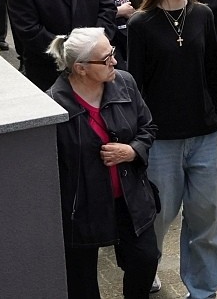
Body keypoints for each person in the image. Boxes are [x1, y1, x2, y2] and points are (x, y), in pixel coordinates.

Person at [127, 0, 217, 299]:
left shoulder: (202, 15)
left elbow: (214, 72)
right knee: (157, 216)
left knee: (208, 219)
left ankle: (203, 289)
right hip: (161, 139)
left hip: (204, 132)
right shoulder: (140, 24)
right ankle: (145, 267)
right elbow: (135, 85)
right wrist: (139, 137)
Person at [45, 28, 159, 299]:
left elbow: (148, 127)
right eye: (106, 58)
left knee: (145, 259)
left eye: (113, 54)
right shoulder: (53, 104)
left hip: (130, 198)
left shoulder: (125, 82)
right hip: (83, 207)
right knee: (82, 283)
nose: (115, 62)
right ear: (81, 68)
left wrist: (132, 151)